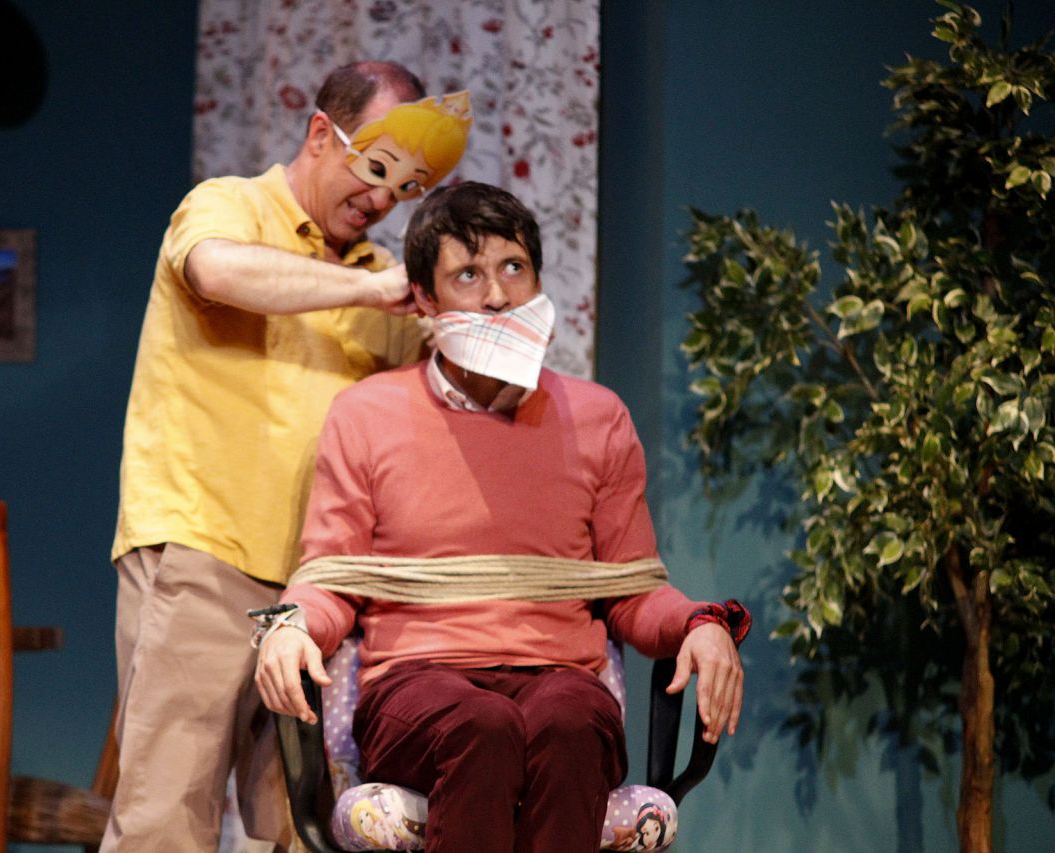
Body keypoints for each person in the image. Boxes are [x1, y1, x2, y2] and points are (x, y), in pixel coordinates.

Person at [254, 182, 748, 852]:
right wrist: (289, 625)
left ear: (539, 282)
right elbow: (331, 578)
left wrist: (702, 624)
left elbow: (634, 591)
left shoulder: (598, 417)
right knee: (481, 725)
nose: (496, 296)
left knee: (569, 722)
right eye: (467, 274)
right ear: (424, 300)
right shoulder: (366, 414)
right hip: (416, 683)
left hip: (560, 679)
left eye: (514, 268)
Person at [104, 61, 472, 853]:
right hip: (205, 553)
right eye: (375, 169)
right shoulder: (229, 206)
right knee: (167, 817)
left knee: (309, 826)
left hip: (317, 592)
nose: (381, 200)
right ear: (320, 134)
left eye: (403, 188)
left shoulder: (380, 275)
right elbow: (215, 269)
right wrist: (368, 293)